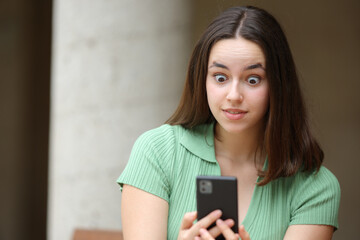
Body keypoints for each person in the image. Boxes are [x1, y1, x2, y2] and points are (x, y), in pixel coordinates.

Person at [117, 5, 340, 240]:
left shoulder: (316, 188)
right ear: (202, 78)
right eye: (220, 77)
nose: (234, 95)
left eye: (253, 80)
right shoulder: (157, 152)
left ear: (279, 85)